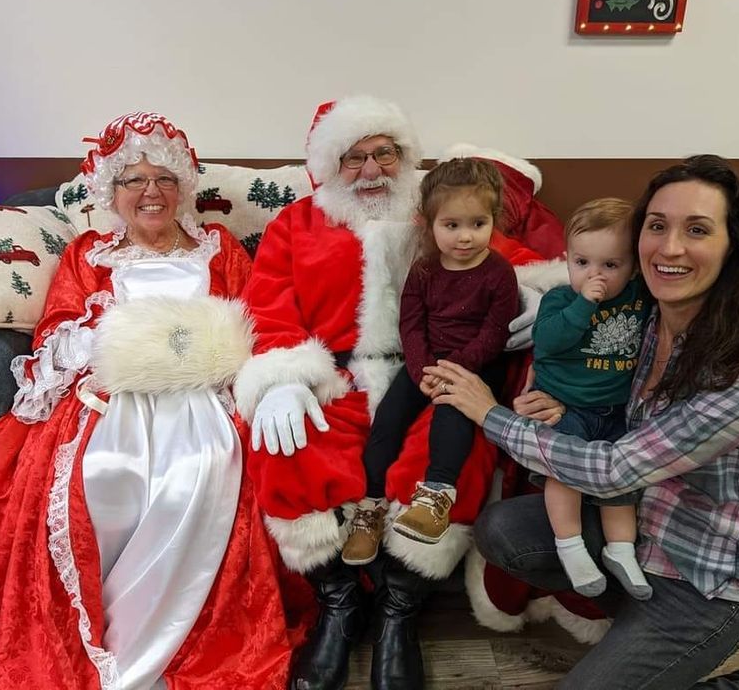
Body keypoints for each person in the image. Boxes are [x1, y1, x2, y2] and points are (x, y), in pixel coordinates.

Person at [0, 112, 299, 690]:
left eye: (163, 180)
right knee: (99, 476)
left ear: (182, 188)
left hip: (203, 395)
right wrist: (99, 339)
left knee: (206, 468)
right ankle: (97, 637)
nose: (151, 192)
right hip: (111, 396)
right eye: (134, 181)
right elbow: (57, 331)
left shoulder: (218, 249)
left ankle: (170, 637)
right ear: (112, 192)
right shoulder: (90, 254)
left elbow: (258, 323)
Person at [424, 154, 739, 689]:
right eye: (657, 226)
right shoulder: (642, 313)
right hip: (634, 534)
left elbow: (614, 470)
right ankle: (632, 633)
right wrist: (566, 406)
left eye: (697, 230)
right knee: (503, 531)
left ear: (735, 248)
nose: (671, 247)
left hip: (705, 577)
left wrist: (487, 412)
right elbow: (581, 366)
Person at [234, 95, 567, 690]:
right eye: (353, 157)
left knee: (449, 454)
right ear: (329, 166)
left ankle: (398, 610)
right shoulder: (294, 226)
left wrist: (544, 299)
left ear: (404, 155)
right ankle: (337, 604)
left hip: (437, 373)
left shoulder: (437, 213)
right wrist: (282, 376)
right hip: (332, 379)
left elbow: (510, 259)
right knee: (287, 450)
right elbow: (269, 306)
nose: (371, 170)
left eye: (383, 153)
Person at [341, 157, 519, 567]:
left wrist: (452, 372)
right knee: (387, 421)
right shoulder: (424, 270)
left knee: (451, 417)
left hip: (475, 363)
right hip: (426, 362)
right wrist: (423, 370)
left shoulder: (499, 273)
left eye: (478, 224)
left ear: (493, 221)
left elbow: (495, 332)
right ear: (429, 223)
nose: (465, 237)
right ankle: (370, 507)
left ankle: (436, 495)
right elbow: (411, 323)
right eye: (451, 225)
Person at [531, 198, 652, 601]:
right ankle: (571, 547)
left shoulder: (639, 298)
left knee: (619, 480)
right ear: (567, 260)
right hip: (566, 404)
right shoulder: (561, 300)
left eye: (610, 266)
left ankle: (621, 550)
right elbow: (548, 343)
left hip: (617, 409)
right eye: (582, 263)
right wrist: (584, 305)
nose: (593, 275)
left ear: (633, 266)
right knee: (563, 473)